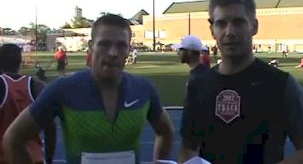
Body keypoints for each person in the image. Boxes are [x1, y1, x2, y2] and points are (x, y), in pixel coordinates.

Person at [3, 14, 175, 164]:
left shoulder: (144, 89)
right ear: (91, 46)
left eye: (121, 45)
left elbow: (166, 132)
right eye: (104, 44)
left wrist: (160, 161)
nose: (113, 53)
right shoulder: (63, 89)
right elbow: (13, 139)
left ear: (129, 49)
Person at [178, 0, 303, 164]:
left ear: (254, 26)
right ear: (212, 29)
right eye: (221, 23)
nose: (229, 31)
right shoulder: (198, 85)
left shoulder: (281, 83)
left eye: (238, 22)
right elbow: (188, 149)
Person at [0, 44, 56, 164]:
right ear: (20, 61)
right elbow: (50, 128)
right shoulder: (37, 86)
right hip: (33, 157)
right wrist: (49, 159)